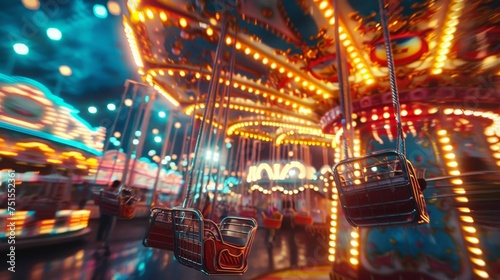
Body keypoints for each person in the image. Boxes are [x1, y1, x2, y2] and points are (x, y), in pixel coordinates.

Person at [95, 180, 121, 256]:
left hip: (103, 212)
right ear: (118, 185)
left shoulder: (105, 190)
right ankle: (106, 246)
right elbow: (117, 204)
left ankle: (98, 245)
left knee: (101, 228)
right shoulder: (116, 193)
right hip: (111, 213)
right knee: (109, 230)